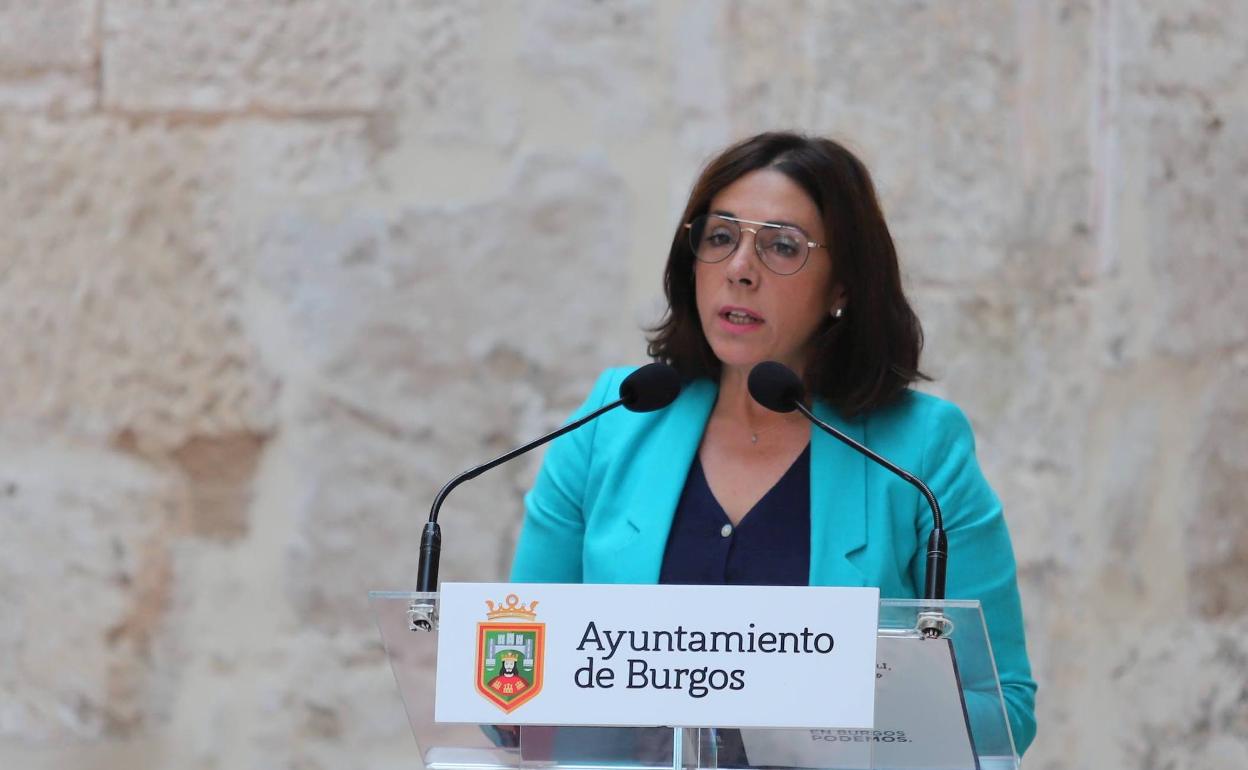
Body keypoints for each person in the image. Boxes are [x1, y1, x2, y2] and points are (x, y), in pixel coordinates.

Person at [509, 132, 1036, 754]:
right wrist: (510, 703)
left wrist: (820, 699)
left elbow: (1002, 706)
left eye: (782, 247)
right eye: (721, 237)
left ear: (842, 288)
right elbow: (518, 663)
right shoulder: (615, 416)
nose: (740, 270)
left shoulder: (920, 449)